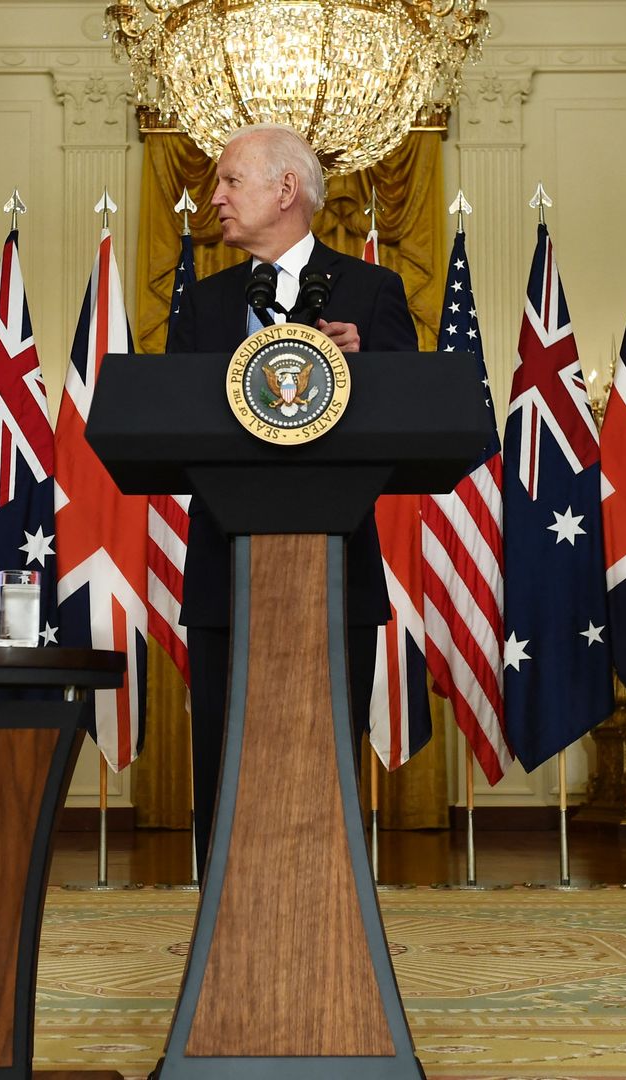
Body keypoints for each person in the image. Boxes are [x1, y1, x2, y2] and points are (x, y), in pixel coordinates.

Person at [164, 123, 418, 865]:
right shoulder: (205, 303)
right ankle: (221, 928)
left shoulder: (374, 293)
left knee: (327, 760)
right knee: (223, 764)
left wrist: (363, 372)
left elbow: (413, 420)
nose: (215, 199)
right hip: (224, 575)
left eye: (230, 181)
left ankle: (336, 931)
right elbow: (172, 425)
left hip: (336, 573)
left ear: (284, 191)